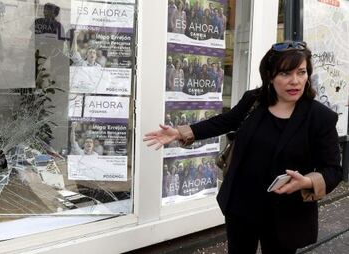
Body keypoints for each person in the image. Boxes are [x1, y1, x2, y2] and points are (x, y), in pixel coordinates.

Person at [144, 41, 343, 254]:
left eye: (301, 72)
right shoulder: (255, 101)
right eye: (285, 74)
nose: (295, 81)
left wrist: (307, 182)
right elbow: (225, 121)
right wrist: (181, 132)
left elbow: (333, 170)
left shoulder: (320, 118)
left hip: (286, 212)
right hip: (242, 205)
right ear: (270, 75)